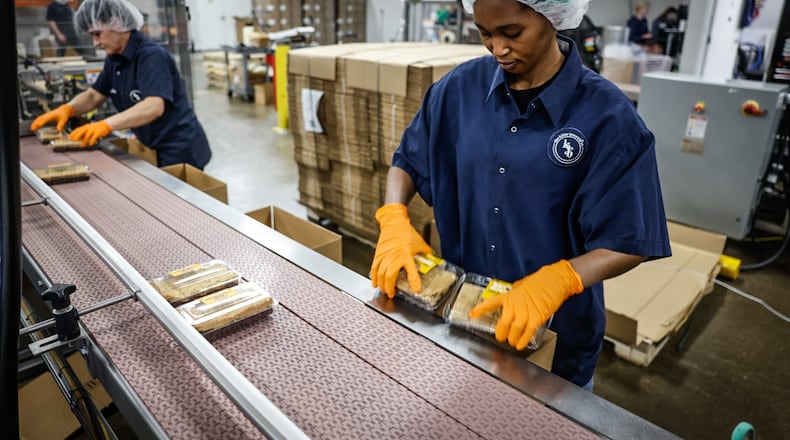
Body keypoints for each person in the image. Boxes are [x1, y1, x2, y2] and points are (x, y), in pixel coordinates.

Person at [369, 0, 671, 390]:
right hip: (463, 321)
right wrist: (393, 217)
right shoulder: (459, 90)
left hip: (552, 341)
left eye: (512, 33)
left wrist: (562, 279)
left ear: (553, 17)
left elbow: (633, 237)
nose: (498, 48)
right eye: (484, 33)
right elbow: (408, 160)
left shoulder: (607, 117)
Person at [31, 0, 212, 170]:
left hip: (178, 148)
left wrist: (105, 125)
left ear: (117, 23)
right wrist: (68, 109)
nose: (96, 43)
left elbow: (154, 106)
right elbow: (95, 94)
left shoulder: (151, 56)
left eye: (97, 34)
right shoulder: (115, 58)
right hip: (151, 142)